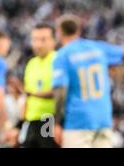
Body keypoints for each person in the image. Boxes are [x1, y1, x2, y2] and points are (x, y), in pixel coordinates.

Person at [52, 14, 124, 148]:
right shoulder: (98, 47)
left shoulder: (62, 56)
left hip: (78, 121)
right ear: (78, 30)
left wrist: (56, 122)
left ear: (59, 32)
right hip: (104, 118)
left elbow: (60, 92)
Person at [19, 23, 58, 148]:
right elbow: (27, 96)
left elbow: (59, 92)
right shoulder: (31, 64)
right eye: (35, 40)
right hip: (31, 121)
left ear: (53, 41)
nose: (38, 44)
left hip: (49, 119)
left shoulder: (58, 60)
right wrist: (20, 124)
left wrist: (59, 124)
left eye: (43, 39)